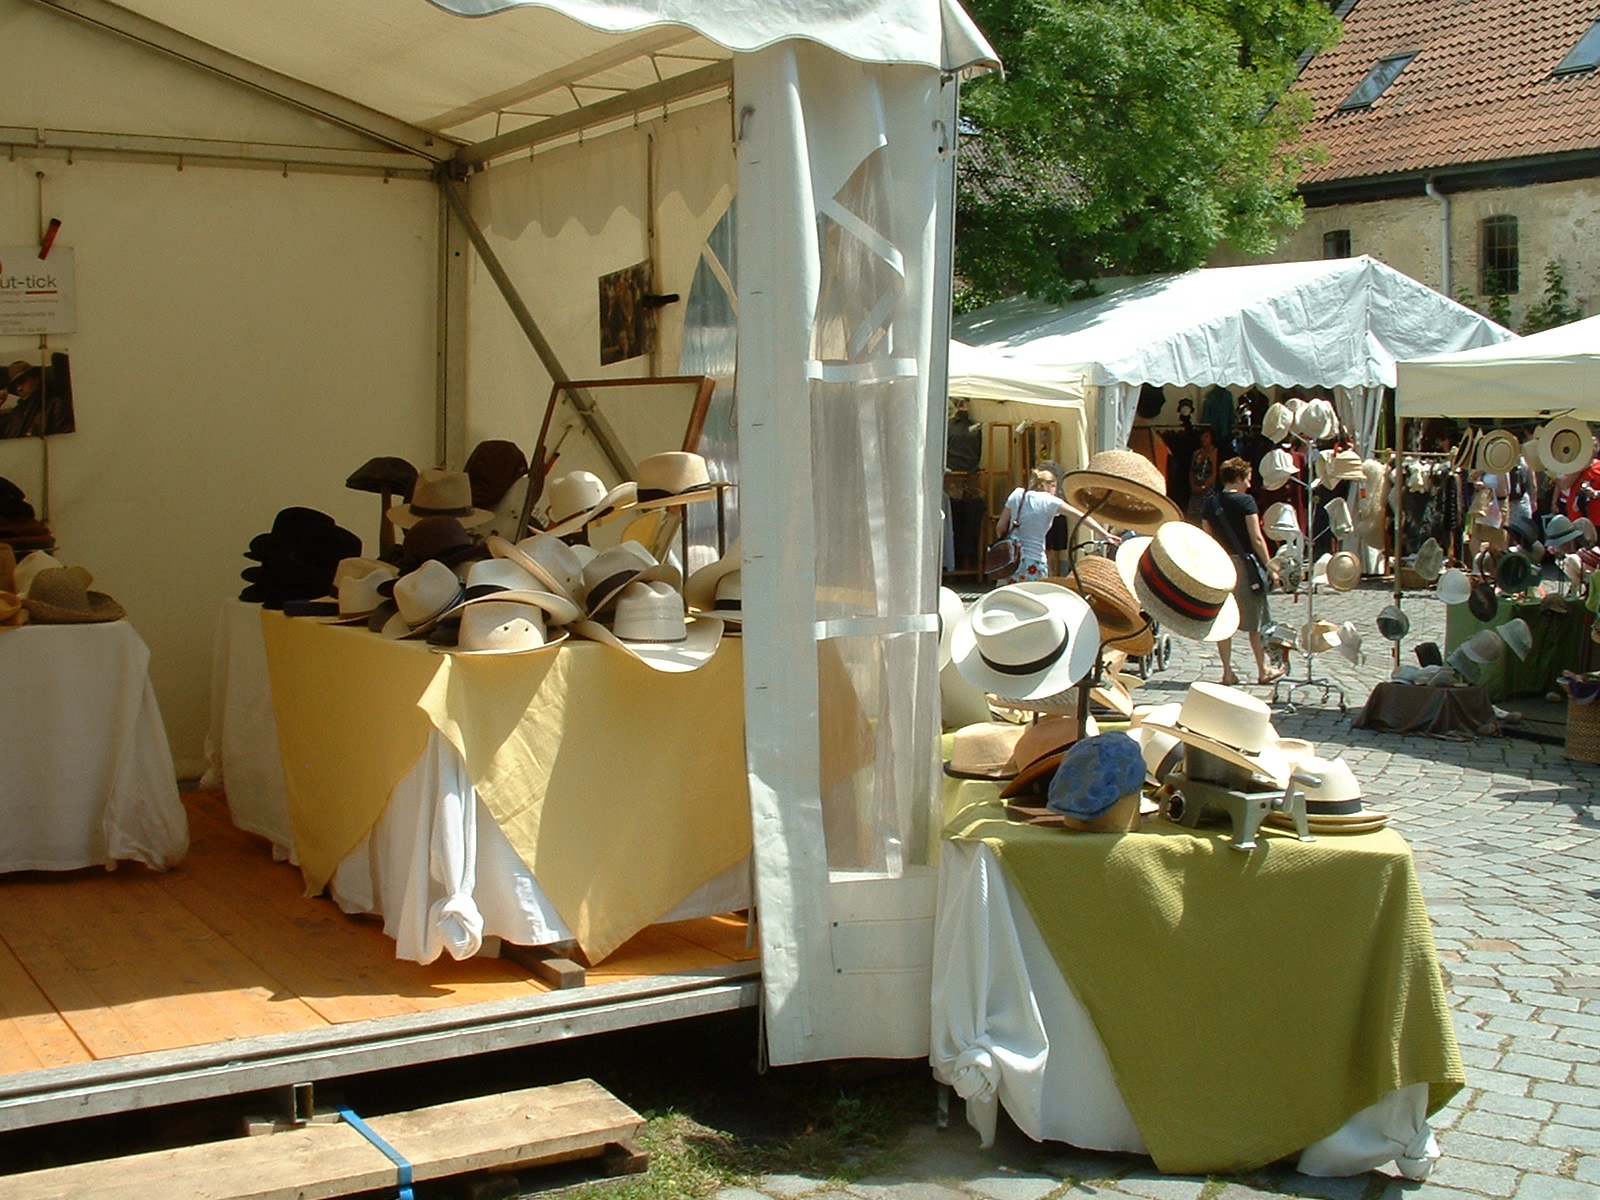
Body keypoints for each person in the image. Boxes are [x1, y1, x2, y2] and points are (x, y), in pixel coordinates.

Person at [1203, 456, 1283, 686]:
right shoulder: (1246, 502)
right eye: (1247, 478)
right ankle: (1262, 670)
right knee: (1255, 622)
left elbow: (1207, 537)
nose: (1249, 483)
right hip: (1244, 566)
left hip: (1221, 564)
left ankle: (1227, 672)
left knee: (1223, 619)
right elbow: (1256, 538)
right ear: (1238, 478)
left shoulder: (1211, 503)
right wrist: (1270, 566)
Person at [995, 468, 1114, 585]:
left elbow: (1000, 527)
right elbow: (1081, 517)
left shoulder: (1017, 494)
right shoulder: (1051, 501)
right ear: (1052, 485)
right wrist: (1105, 534)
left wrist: (1008, 544)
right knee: (1032, 600)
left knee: (1008, 600)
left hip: (1009, 561)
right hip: (1034, 561)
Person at [1186, 427, 1218, 521]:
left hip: (1208, 488)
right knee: (1192, 516)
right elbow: (1191, 471)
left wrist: (1204, 487)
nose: (1203, 439)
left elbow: (1214, 473)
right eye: (1202, 436)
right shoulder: (1196, 453)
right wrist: (1193, 486)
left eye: (1206, 436)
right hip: (1196, 488)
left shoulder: (1214, 452)